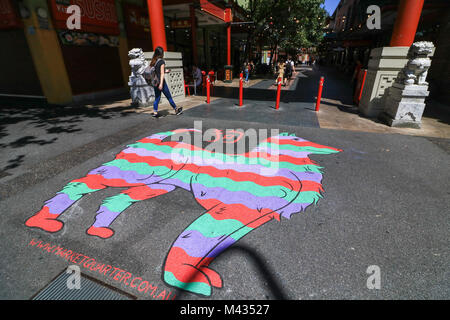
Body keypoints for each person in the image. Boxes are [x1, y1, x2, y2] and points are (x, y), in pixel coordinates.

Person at [148, 46, 183, 117]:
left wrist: (165, 71)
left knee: (157, 98)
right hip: (161, 83)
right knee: (169, 97)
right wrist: (161, 84)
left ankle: (155, 112)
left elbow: (157, 71)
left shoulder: (154, 61)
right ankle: (176, 110)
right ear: (161, 53)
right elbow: (161, 74)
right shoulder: (161, 61)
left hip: (155, 82)